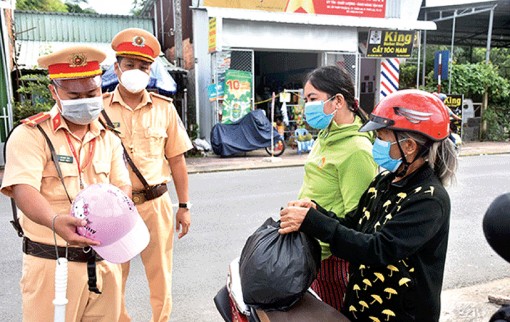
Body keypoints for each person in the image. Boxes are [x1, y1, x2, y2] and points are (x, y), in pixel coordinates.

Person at [280, 89, 458, 321]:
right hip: (361, 310)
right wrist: (315, 212)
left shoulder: (429, 199)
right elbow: (354, 225)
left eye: (382, 137)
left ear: (409, 146)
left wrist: (314, 223)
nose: (376, 144)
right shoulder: (384, 182)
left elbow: (378, 249)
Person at [0, 46, 132, 321]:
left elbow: (122, 188)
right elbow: (23, 189)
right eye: (74, 95)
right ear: (54, 92)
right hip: (53, 264)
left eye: (91, 93)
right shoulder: (31, 135)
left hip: (104, 264)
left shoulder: (109, 138)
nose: (85, 101)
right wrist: (54, 220)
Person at [103, 27, 193, 322]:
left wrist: (184, 207)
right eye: (129, 65)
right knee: (114, 274)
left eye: (143, 66)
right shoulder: (98, 110)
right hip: (114, 206)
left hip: (156, 203)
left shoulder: (165, 109)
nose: (136, 71)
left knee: (161, 272)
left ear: (151, 71)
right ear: (117, 68)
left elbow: (177, 161)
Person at [298, 65, 378, 311]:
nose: (307, 107)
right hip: (311, 250)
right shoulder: (325, 137)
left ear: (338, 101)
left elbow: (358, 219)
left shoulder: (357, 150)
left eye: (313, 99)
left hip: (333, 258)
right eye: (305, 100)